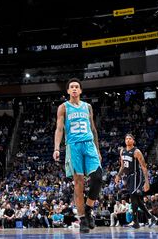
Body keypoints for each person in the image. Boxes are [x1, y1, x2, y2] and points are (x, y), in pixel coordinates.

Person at [53, 78, 103, 233]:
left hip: (89, 145)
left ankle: (88, 209)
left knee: (98, 178)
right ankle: (82, 219)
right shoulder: (63, 107)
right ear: (68, 91)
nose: (74, 89)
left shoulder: (88, 107)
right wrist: (56, 148)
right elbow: (59, 129)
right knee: (79, 184)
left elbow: (94, 130)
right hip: (73, 147)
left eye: (77, 87)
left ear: (80, 90)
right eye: (71, 87)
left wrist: (98, 149)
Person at [116, 133, 155, 228]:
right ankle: (150, 217)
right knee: (136, 199)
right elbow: (122, 166)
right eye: (126, 139)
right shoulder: (122, 151)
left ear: (133, 141)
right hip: (128, 177)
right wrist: (118, 175)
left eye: (130, 138)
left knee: (133, 197)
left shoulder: (136, 151)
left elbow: (144, 167)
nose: (128, 140)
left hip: (137, 176)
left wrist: (146, 182)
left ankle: (135, 222)